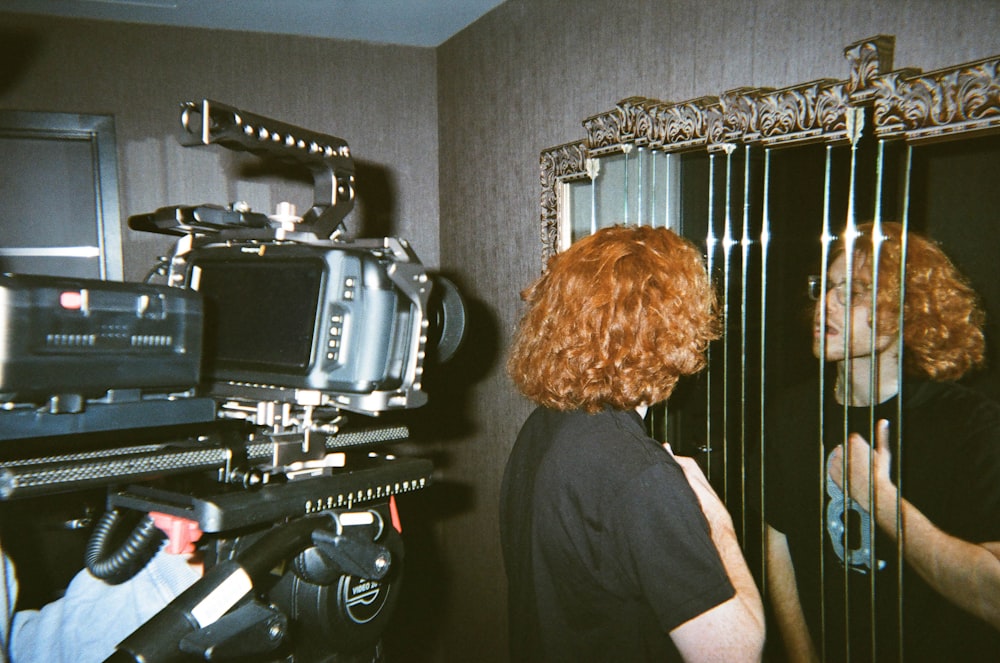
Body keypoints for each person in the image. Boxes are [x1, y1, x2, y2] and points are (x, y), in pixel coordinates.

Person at [499, 225, 765, 662]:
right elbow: (737, 653)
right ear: (674, 327)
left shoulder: (542, 429)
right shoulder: (639, 475)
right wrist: (717, 522)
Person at [765, 222, 1000, 662]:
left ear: (907, 311)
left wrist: (882, 501)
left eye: (851, 293)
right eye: (824, 287)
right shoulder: (792, 413)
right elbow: (777, 542)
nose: (823, 306)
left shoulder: (968, 424)